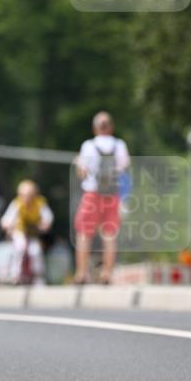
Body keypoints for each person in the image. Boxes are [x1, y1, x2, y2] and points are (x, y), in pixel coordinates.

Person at [73, 111, 130, 284]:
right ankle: (107, 274)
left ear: (94, 128)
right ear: (111, 127)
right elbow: (125, 167)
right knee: (109, 234)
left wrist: (77, 163)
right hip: (112, 193)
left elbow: (82, 173)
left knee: (84, 233)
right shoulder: (119, 145)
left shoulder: (88, 146)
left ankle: (82, 273)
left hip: (92, 193)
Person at [0, 179, 54, 284]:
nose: (26, 198)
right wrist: (7, 225)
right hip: (19, 231)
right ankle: (16, 274)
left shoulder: (40, 203)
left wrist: (45, 224)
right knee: (20, 247)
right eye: (23, 195)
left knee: (35, 251)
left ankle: (38, 276)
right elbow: (6, 219)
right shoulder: (17, 203)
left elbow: (48, 216)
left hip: (33, 233)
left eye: (29, 195)